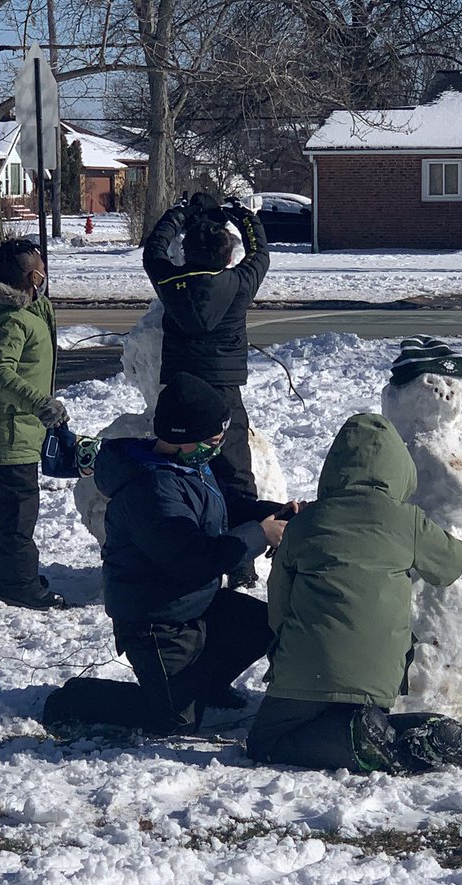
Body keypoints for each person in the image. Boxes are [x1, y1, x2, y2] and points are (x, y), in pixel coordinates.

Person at [43, 372, 296, 735]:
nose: (219, 445)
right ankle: (77, 699)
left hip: (192, 603)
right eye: (212, 439)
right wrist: (259, 535)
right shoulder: (153, 491)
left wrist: (276, 514)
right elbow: (193, 559)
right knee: (175, 722)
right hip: (156, 619)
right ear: (182, 438)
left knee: (260, 624)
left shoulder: (189, 465)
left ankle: (201, 686)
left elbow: (227, 507)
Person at [246, 412, 462, 775]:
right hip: (377, 676)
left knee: (265, 743)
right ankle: (417, 731)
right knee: (363, 721)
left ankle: (357, 737)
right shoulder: (407, 521)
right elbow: (452, 566)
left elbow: (279, 601)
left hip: (305, 670)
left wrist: (286, 650)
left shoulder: (306, 523)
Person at [142, 191, 270, 588]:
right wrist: (241, 214)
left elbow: (153, 249)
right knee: (235, 476)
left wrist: (181, 213)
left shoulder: (170, 282)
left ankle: (180, 545)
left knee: (179, 469)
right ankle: (240, 560)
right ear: (227, 257)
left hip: (180, 389)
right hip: (223, 390)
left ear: (187, 255)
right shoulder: (238, 283)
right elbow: (260, 253)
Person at [0, 237, 69, 610]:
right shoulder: (12, 320)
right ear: (32, 276)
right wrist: (40, 403)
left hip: (12, 428)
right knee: (19, 512)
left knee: (8, 509)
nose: (45, 275)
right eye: (41, 268)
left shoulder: (24, 312)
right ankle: (21, 586)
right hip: (7, 431)